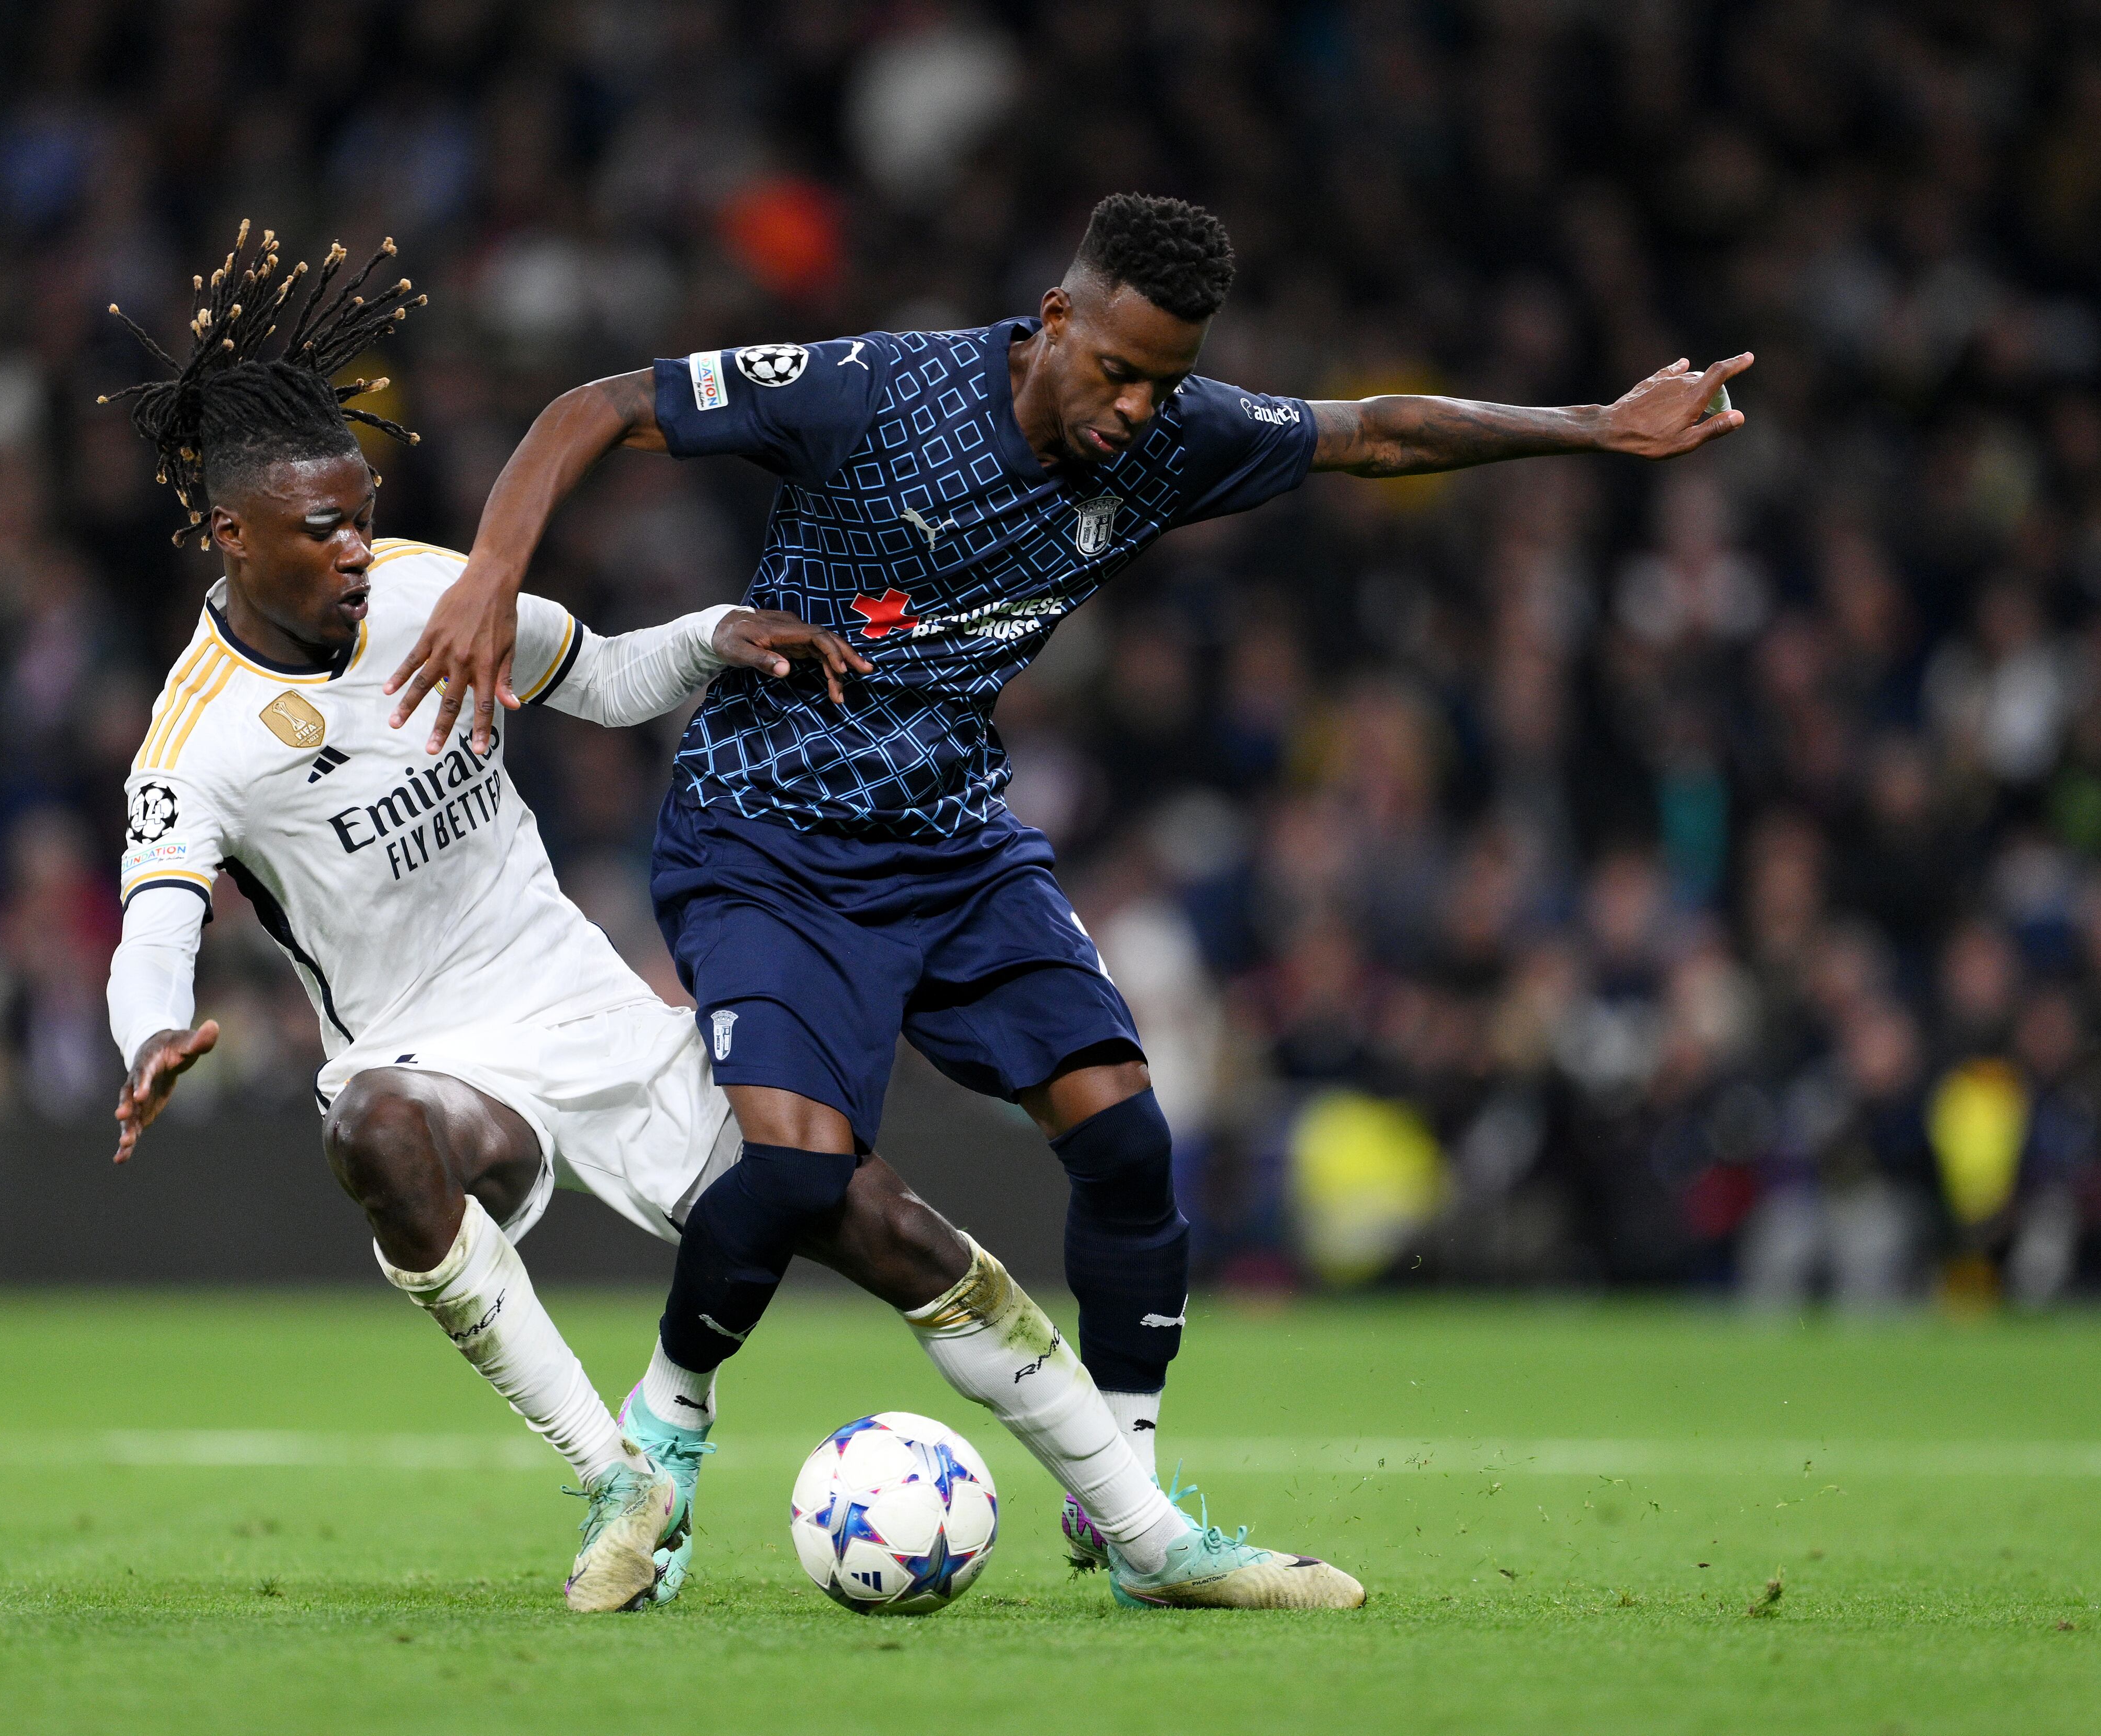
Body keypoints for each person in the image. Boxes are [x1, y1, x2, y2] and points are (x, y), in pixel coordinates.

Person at [385, 192, 1752, 1608]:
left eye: (1165, 380)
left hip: (957, 844)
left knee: (1126, 1138)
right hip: (770, 835)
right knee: (794, 1174)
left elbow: (1375, 431)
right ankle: (667, 1429)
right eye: (1117, 371)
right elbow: (600, 403)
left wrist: (1597, 427)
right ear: (1054, 323)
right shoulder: (882, 390)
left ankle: (1135, 1517)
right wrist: (494, 573)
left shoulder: (1172, 437)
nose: (1137, 408)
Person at [98, 223, 1358, 1618]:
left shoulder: (419, 590)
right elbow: (154, 916)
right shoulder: (198, 738)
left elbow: (602, 681)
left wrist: (716, 637)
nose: (357, 550)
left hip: (585, 1008)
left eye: (362, 512)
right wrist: (152, 1030)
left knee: (874, 1222)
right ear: (231, 533)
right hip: (424, 1058)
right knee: (377, 1134)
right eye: (321, 530)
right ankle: (620, 1478)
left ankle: (1154, 1542)